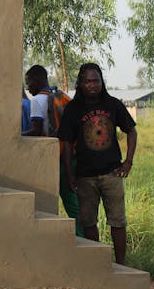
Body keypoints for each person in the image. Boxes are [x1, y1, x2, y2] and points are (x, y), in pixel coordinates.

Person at [58, 63, 137, 266]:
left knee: (118, 222)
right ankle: (98, 264)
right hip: (84, 176)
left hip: (112, 174)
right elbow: (66, 143)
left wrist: (128, 162)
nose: (92, 85)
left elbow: (131, 131)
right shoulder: (73, 109)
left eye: (96, 81)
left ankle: (121, 264)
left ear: (102, 82)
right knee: (88, 222)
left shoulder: (113, 105)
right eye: (88, 81)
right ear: (81, 84)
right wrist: (68, 173)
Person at [23, 64, 83, 237]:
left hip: (56, 157)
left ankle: (81, 238)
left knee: (65, 200)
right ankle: (85, 234)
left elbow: (35, 130)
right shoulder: (60, 95)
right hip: (71, 154)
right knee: (73, 199)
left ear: (38, 80)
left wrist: (15, 136)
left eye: (29, 82)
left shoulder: (36, 101)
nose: (28, 87)